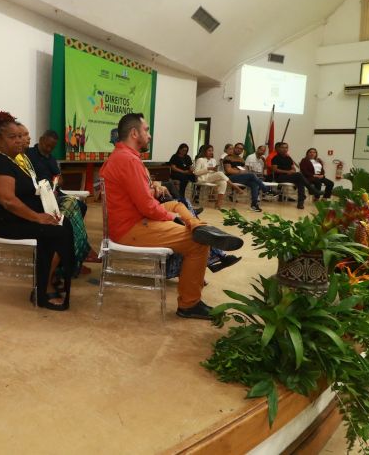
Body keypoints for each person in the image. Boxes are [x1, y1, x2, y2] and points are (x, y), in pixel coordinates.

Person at [100, 113, 243, 320]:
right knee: (198, 243)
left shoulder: (123, 156)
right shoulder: (127, 160)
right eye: (146, 130)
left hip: (132, 220)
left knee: (177, 204)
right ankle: (189, 304)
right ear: (134, 133)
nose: (149, 135)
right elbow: (147, 207)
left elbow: (140, 197)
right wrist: (171, 218)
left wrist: (158, 195)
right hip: (131, 228)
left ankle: (198, 225)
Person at [0, 111, 75, 311]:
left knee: (64, 224)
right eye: (12, 137)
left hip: (20, 218)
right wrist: (37, 217)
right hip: (7, 223)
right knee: (55, 231)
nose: (18, 140)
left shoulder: (15, 160)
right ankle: (42, 291)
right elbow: (8, 201)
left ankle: (50, 278)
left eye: (20, 136)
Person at [23, 128, 96, 274]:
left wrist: (58, 181)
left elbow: (59, 178)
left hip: (54, 192)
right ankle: (71, 252)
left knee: (81, 206)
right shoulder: (28, 155)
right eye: (47, 145)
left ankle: (74, 245)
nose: (49, 149)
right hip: (40, 195)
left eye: (52, 147)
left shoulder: (51, 158)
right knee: (68, 212)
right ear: (41, 140)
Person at [270, 142, 322, 209]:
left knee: (300, 182)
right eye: (282, 147)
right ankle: (311, 190)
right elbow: (275, 170)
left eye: (286, 147)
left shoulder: (288, 158)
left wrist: (292, 171)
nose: (285, 149)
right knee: (299, 175)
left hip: (289, 176)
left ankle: (300, 204)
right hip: (280, 177)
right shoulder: (275, 158)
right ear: (279, 149)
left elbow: (293, 168)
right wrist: (287, 171)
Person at [193, 144, 245, 210]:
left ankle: (218, 203)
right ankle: (235, 187)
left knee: (223, 182)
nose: (211, 152)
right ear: (205, 151)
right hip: (203, 178)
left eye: (212, 151)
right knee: (220, 173)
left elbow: (215, 171)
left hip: (212, 177)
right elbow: (196, 172)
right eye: (209, 151)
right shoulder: (200, 160)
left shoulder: (213, 160)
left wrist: (215, 169)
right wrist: (208, 168)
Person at [222, 143, 265, 212]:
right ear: (234, 148)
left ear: (242, 151)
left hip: (240, 177)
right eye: (238, 148)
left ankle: (254, 205)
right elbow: (229, 170)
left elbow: (245, 170)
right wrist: (239, 171)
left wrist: (238, 171)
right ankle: (265, 189)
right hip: (230, 178)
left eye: (241, 149)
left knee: (254, 184)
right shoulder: (228, 157)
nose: (239, 150)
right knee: (252, 175)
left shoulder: (241, 160)